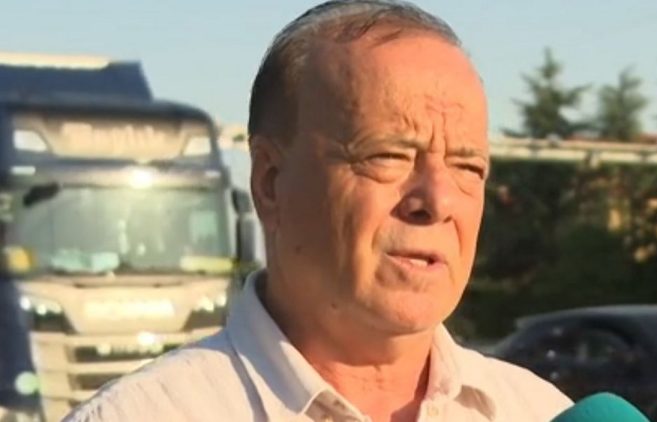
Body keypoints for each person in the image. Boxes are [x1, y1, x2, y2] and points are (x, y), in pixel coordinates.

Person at [65, 1, 572, 421]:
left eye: (467, 167)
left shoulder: (538, 412)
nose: (436, 202)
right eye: (387, 156)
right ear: (270, 182)